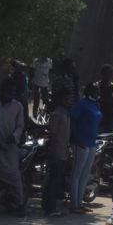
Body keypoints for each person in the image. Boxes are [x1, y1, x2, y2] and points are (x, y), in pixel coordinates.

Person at [0, 80, 28, 213]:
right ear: (1, 91)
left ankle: (19, 205)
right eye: (8, 91)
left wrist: (14, 136)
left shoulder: (17, 106)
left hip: (8, 146)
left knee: (14, 176)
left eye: (13, 92)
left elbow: (20, 126)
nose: (11, 94)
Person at [68, 84, 102, 213]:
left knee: (85, 174)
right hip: (80, 143)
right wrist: (76, 139)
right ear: (88, 91)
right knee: (76, 173)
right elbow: (72, 121)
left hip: (92, 143)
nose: (97, 92)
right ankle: (74, 204)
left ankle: (80, 203)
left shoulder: (96, 104)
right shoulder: (81, 104)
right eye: (95, 90)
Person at [43, 88, 71, 216]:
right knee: (53, 181)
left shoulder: (65, 113)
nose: (68, 101)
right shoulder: (57, 114)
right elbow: (52, 135)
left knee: (56, 180)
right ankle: (50, 208)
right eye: (66, 99)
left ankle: (50, 207)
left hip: (63, 151)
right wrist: (52, 152)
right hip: (57, 152)